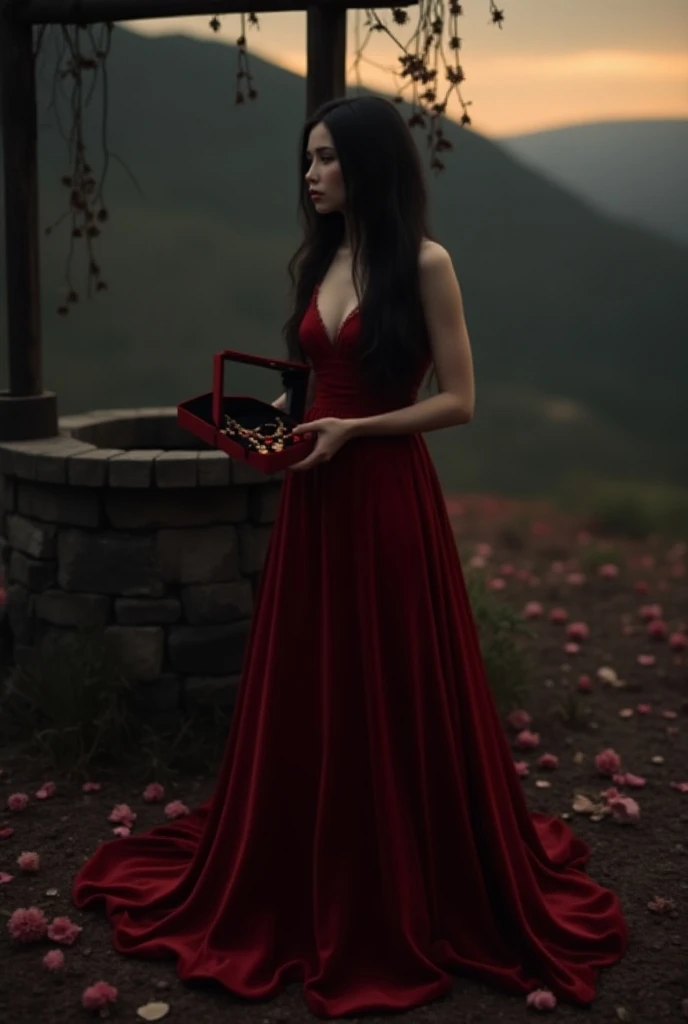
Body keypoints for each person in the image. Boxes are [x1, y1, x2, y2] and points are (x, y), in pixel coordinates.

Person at [72, 95, 629, 1018]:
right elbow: (313, 387)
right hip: (314, 494)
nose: (310, 173)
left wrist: (354, 430)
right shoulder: (323, 257)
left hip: (383, 495)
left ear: (367, 164)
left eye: (325, 158)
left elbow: (460, 401)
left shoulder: (426, 263)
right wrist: (269, 426)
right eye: (308, 158)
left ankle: (401, 871)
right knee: (314, 677)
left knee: (391, 676)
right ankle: (308, 850)